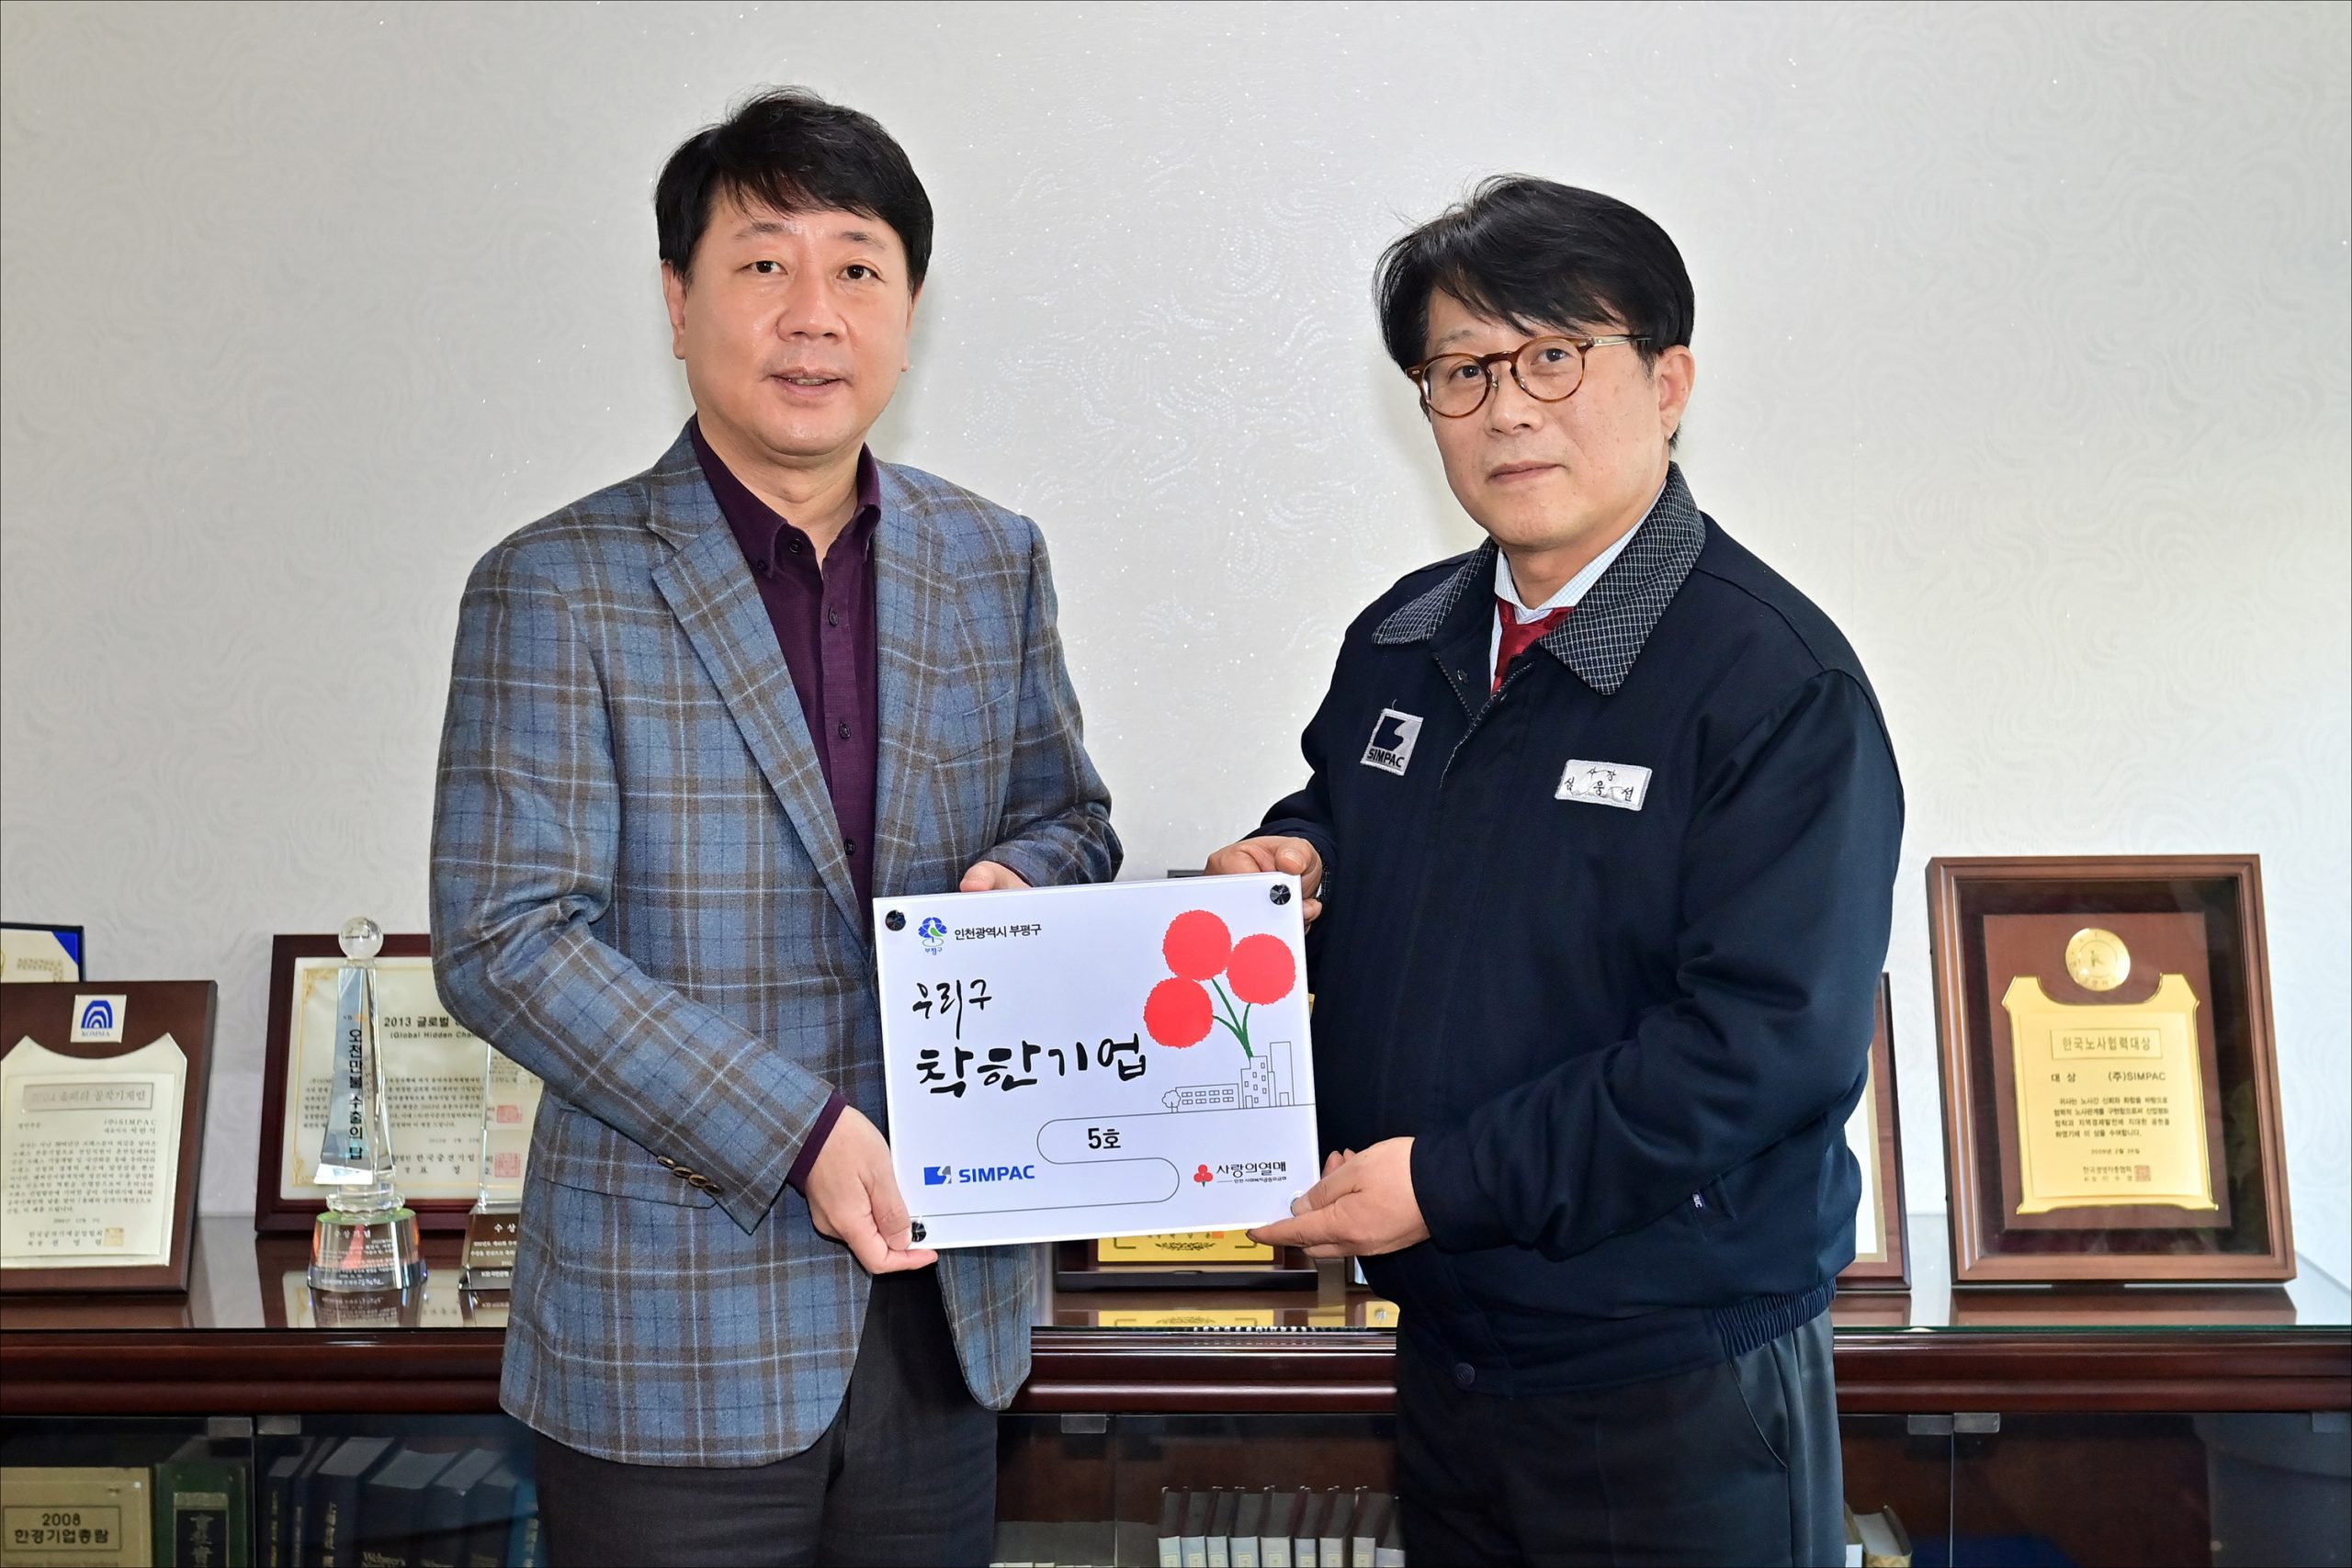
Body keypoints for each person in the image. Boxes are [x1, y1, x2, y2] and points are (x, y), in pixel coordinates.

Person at [430, 88, 1119, 1567]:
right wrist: (796, 1132)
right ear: (678, 303)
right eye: (763, 265)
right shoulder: (554, 584)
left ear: (909, 313)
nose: (815, 314)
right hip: (669, 1342)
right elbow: (505, 940)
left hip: (947, 1313)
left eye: (858, 268)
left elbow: (1069, 816)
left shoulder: (990, 558)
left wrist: (1016, 880)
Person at [1222, 176, 1902, 1566]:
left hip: (1675, 1385)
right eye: (1462, 371)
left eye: (1553, 356)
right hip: (1450, 1354)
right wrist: (1299, 861)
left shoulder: (1772, 682)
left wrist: (1450, 1182)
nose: (1508, 410)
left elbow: (1761, 1048)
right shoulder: (1401, 640)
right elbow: (1359, 817)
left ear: (1669, 383)